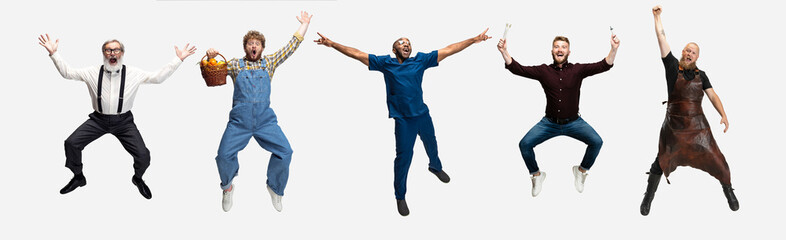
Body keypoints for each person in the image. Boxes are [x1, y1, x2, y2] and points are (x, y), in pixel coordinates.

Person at [315, 29, 491, 216]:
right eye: (401, 42)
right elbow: (357, 54)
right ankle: (400, 196)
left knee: (432, 144)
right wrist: (332, 44)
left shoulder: (420, 61)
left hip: (422, 115)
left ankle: (435, 167)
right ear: (394, 49)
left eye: (408, 42)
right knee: (403, 158)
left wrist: (473, 40)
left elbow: (449, 50)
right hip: (403, 120)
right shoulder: (385, 63)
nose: (406, 44)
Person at [38, 34, 196, 199]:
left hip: (124, 122)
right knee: (71, 143)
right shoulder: (92, 72)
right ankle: (78, 177)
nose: (112, 53)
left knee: (143, 155)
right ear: (103, 53)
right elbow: (67, 73)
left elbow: (158, 78)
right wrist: (54, 54)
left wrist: (178, 60)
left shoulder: (134, 73)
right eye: (108, 50)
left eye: (116, 50)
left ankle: (138, 178)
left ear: (122, 53)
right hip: (98, 120)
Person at [206, 11, 311, 212]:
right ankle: (227, 187)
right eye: (250, 43)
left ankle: (275, 188)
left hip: (265, 122)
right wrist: (211, 57)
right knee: (223, 155)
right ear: (245, 47)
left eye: (257, 44)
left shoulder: (269, 62)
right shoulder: (235, 64)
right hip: (239, 123)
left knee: (285, 152)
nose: (253, 46)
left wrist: (304, 25)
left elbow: (292, 46)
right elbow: (214, 69)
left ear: (262, 48)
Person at [640, 5, 738, 216]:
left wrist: (723, 114)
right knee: (660, 163)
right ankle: (647, 199)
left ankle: (729, 192)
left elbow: (712, 95)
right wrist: (657, 18)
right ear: (682, 53)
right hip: (674, 128)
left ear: (697, 57)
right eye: (686, 50)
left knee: (719, 161)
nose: (688, 53)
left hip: (698, 129)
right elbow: (661, 38)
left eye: (692, 52)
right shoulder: (672, 67)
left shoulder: (702, 75)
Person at [497, 31, 619, 197]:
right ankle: (537, 175)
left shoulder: (577, 70)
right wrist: (504, 51)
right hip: (549, 123)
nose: (559, 49)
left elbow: (604, 65)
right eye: (556, 46)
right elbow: (518, 69)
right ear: (552, 51)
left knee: (597, 142)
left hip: (574, 122)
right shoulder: (543, 71)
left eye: (563, 47)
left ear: (569, 52)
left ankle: (581, 171)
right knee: (524, 144)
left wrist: (614, 49)